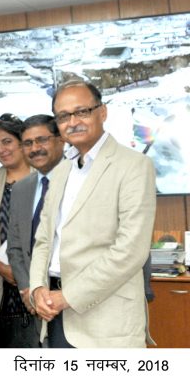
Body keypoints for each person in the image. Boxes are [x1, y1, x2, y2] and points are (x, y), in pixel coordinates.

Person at [29, 80, 156, 348]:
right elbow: (44, 240)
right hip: (54, 315)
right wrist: (38, 288)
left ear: (102, 112)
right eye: (63, 116)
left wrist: (68, 296)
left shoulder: (134, 165)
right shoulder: (61, 171)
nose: (72, 121)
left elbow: (130, 250)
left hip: (106, 322)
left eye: (82, 111)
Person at [0, 114, 38, 347]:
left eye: (7, 141)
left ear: (23, 142)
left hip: (38, 279)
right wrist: (0, 266)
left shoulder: (44, 179)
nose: (1, 149)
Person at [6, 114, 65, 345]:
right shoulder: (21, 189)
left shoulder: (78, 181)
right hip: (34, 297)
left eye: (42, 140)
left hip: (74, 296)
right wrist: (28, 288)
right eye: (28, 143)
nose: (35, 148)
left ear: (61, 140)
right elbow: (15, 247)